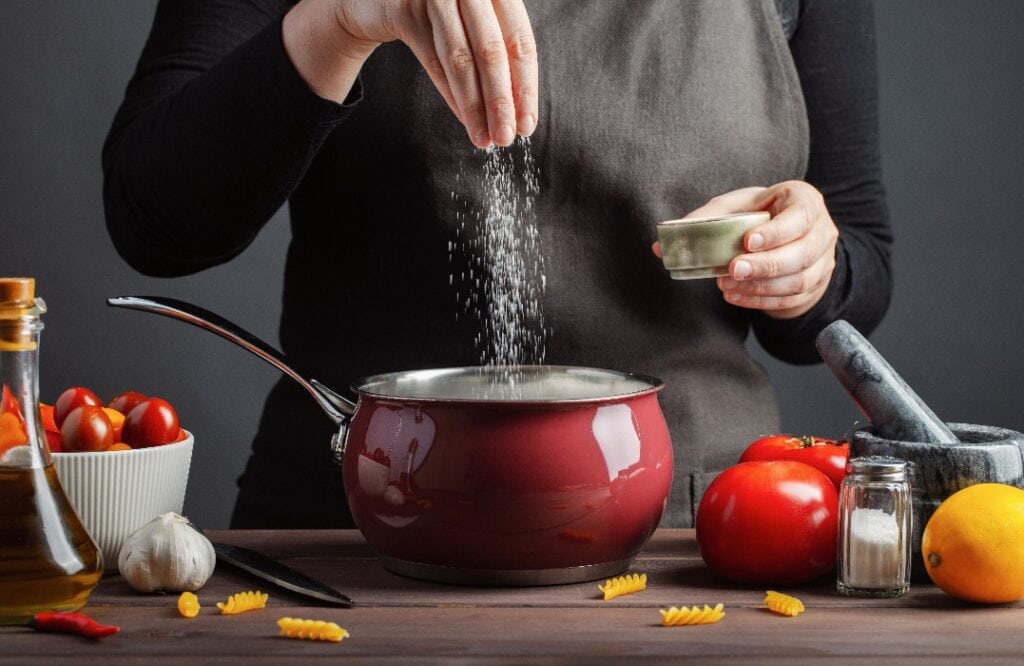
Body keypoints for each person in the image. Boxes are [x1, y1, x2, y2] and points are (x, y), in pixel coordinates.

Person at [103, 0, 892, 528]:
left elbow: (859, 263)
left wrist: (806, 267)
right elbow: (155, 224)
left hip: (692, 537)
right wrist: (338, 22)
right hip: (356, 525)